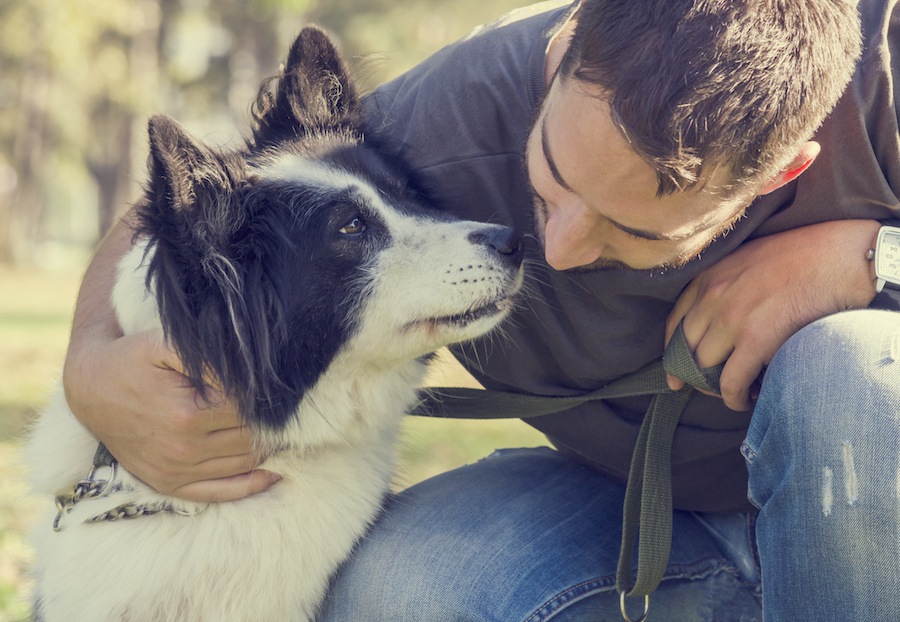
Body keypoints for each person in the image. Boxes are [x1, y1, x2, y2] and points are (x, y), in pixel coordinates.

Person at [62, 0, 900, 620]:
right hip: (644, 521)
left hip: (873, 513)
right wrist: (89, 364)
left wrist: (864, 257)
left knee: (850, 372)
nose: (559, 249)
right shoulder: (454, 107)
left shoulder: (885, 75)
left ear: (780, 172)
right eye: (551, 180)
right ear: (563, 51)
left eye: (629, 230)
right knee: (393, 592)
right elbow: (220, 196)